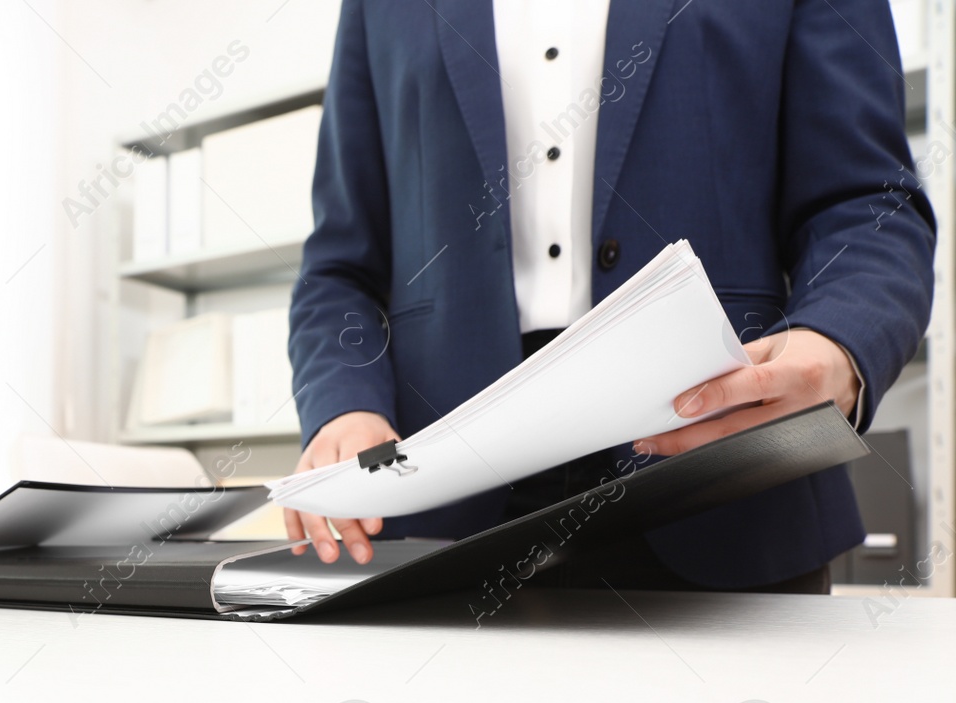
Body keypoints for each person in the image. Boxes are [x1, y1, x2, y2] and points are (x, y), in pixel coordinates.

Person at [284, 0, 936, 592]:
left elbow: (868, 206)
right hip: (442, 510)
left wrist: (837, 345)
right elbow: (339, 267)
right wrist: (343, 408)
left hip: (726, 484)